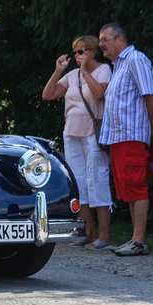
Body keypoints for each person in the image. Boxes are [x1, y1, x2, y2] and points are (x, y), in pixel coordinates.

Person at [42, 35, 113, 251]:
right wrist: (58, 71)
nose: (77, 56)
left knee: (97, 180)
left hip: (92, 133)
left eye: (81, 51)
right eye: (75, 52)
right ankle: (87, 232)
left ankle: (105, 236)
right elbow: (48, 94)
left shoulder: (103, 70)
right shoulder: (72, 75)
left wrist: (85, 73)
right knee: (79, 182)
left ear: (93, 52)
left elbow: (100, 94)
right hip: (71, 133)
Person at [98, 23, 153, 257]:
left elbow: (150, 96)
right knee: (128, 189)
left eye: (105, 40)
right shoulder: (118, 66)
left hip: (133, 136)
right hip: (119, 139)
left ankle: (139, 241)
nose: (100, 45)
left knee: (136, 186)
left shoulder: (136, 60)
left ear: (120, 38)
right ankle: (135, 238)